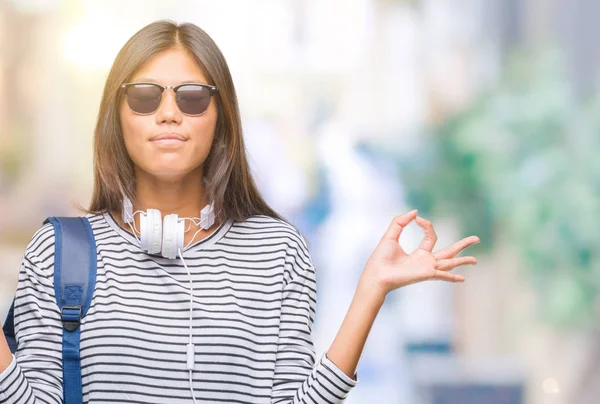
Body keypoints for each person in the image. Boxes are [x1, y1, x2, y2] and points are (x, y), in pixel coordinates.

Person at [0, 20, 479, 403]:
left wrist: (369, 292)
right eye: (145, 96)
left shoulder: (278, 251)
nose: (169, 113)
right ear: (117, 116)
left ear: (219, 117)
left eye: (191, 98)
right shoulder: (60, 251)